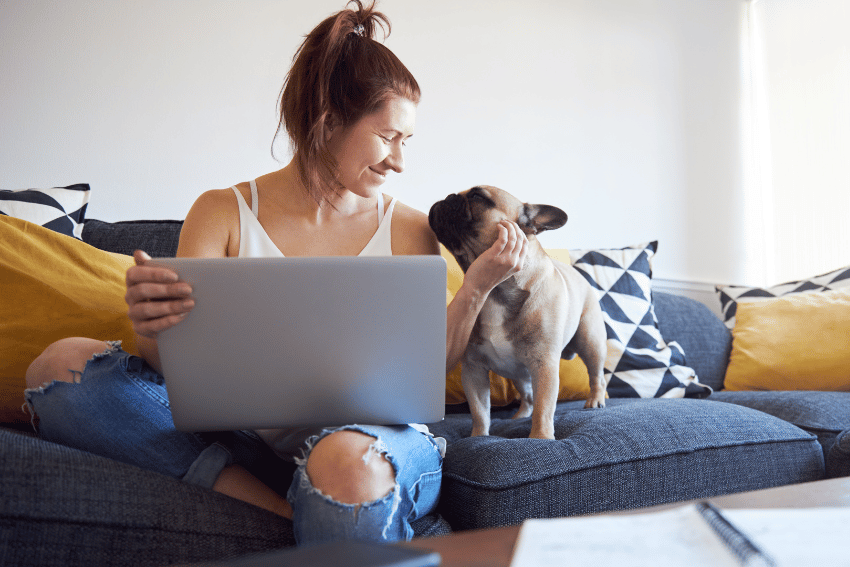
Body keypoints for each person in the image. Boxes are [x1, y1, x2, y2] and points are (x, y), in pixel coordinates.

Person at [23, 0, 528, 545]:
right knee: (59, 370)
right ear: (327, 121)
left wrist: (476, 285)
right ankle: (297, 517)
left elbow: (428, 371)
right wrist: (153, 325)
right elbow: (171, 370)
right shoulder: (221, 212)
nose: (400, 162)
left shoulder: (409, 229)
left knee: (344, 462)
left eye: (407, 142)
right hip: (247, 442)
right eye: (388, 137)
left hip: (374, 446)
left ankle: (328, 502)